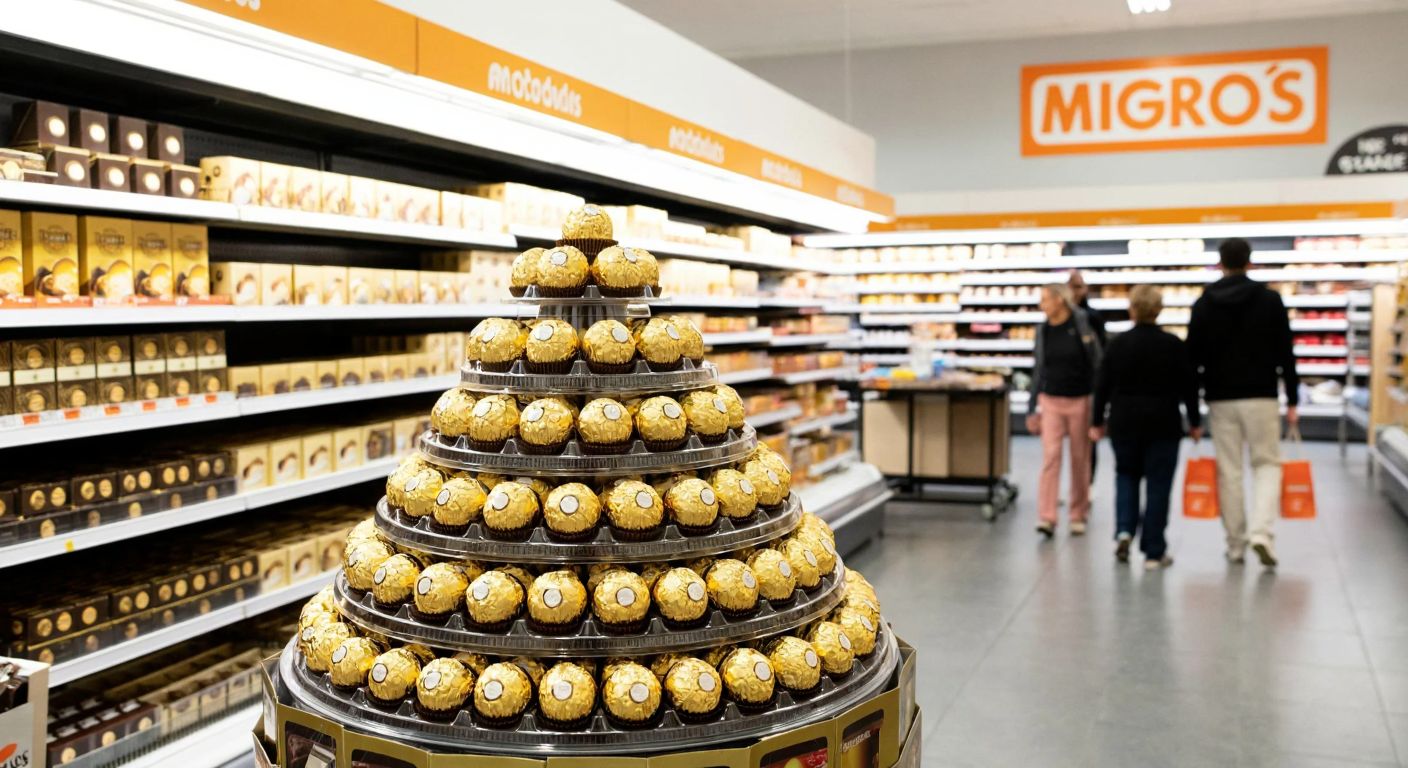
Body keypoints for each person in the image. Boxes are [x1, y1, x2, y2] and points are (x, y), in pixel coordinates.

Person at [1186, 237, 1299, 568]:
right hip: (1262, 395)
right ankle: (1261, 533)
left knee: (1230, 471)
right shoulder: (1270, 300)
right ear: (1251, 262)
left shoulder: (1204, 304)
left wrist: (1193, 414)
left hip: (1221, 398)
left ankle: (1235, 544)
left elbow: (1191, 362)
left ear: (1219, 263)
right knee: (1266, 464)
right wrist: (1292, 397)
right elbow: (1286, 354)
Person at [1089, 286, 1202, 569]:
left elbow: (1102, 385)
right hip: (1163, 423)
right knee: (1158, 484)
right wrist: (1195, 422)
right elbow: (1189, 386)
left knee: (1125, 475)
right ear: (1159, 310)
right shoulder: (1173, 345)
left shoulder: (1117, 344)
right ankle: (1153, 551)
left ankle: (1124, 531)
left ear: (1133, 310)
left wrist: (1096, 421)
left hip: (1124, 421)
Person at [1027, 283, 1102, 538]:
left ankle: (1077, 513)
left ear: (1059, 300)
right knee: (1050, 457)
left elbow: (1096, 362)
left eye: (1045, 299)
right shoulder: (1043, 330)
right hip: (1051, 400)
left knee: (1080, 458)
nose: (1042, 305)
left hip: (1080, 400)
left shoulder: (1082, 324)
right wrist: (1031, 407)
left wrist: (1099, 409)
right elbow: (1038, 368)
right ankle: (1047, 517)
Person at [1068, 269, 1107, 486]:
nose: (1075, 291)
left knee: (1089, 440)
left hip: (1088, 387)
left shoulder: (1093, 317)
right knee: (1071, 444)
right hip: (1065, 389)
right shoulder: (1058, 319)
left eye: (1079, 286)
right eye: (1072, 286)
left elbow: (1101, 354)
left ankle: (1087, 485)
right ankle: (1076, 486)